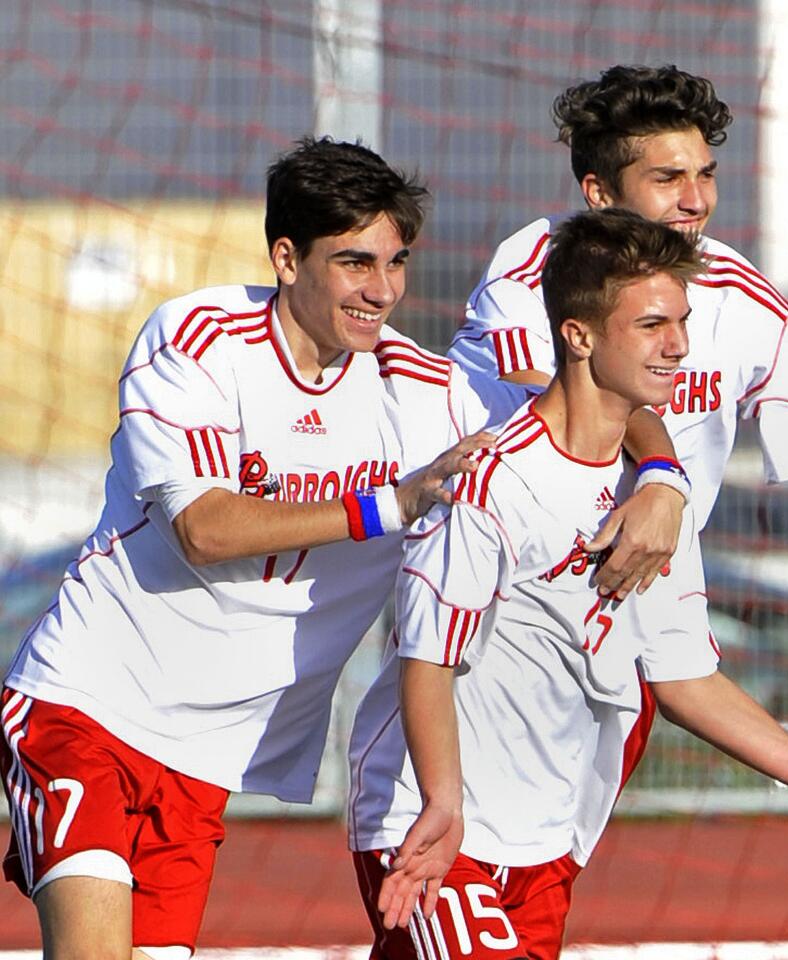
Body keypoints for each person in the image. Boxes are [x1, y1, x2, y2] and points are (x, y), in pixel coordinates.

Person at [0, 136, 528, 960]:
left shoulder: (429, 393)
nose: (381, 290)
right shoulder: (200, 337)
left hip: (206, 758)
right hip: (86, 705)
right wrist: (387, 502)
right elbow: (204, 529)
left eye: (396, 263)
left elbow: (575, 402)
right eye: (354, 263)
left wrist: (665, 476)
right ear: (287, 257)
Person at [348, 210, 788, 960]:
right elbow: (427, 659)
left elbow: (684, 679)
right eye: (652, 324)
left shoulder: (651, 504)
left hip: (547, 836)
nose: (678, 344)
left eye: (681, 321)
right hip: (431, 822)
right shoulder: (491, 480)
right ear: (578, 336)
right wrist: (444, 802)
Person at [448, 64, 788, 748]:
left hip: (647, 597)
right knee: (455, 836)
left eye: (704, 174)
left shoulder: (752, 303)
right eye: (666, 179)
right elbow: (571, 404)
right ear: (598, 191)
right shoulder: (534, 271)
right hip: (514, 605)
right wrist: (662, 477)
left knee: (558, 848)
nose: (695, 199)